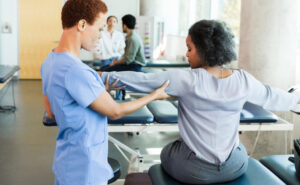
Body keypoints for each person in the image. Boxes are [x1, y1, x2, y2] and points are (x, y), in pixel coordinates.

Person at [99, 19, 300, 184]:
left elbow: (141, 80)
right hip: (234, 166)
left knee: (168, 151)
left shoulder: (186, 79)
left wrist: (100, 78)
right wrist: (296, 99)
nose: (186, 54)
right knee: (237, 147)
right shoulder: (243, 79)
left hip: (194, 171)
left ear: (204, 49)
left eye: (189, 48)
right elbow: (273, 96)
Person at [40, 0, 169, 185]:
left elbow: (51, 112)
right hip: (86, 166)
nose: (101, 36)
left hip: (66, 161)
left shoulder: (49, 61)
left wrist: (93, 91)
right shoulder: (78, 71)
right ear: (82, 25)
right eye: (100, 29)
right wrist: (154, 95)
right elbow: (115, 111)